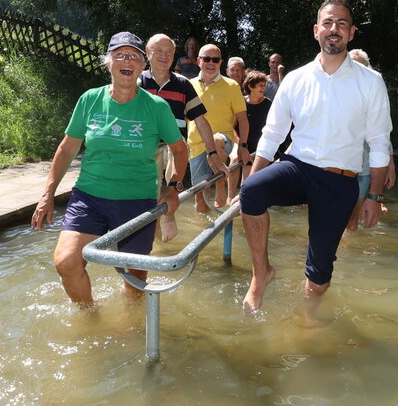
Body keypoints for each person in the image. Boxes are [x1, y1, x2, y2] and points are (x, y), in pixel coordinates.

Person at [238, 0, 393, 314]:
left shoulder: (371, 82)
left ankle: (309, 315)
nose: (333, 29)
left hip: (339, 180)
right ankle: (261, 274)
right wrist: (252, 175)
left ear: (351, 33)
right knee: (250, 192)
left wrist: (374, 196)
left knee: (319, 276)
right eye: (327, 23)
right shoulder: (296, 78)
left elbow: (379, 142)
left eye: (341, 24)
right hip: (298, 167)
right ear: (316, 31)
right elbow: (272, 135)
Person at [31, 32, 188, 308]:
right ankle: (91, 314)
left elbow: (180, 149)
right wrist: (47, 194)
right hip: (89, 197)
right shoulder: (90, 100)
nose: (127, 61)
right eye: (120, 55)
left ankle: (129, 324)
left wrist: (173, 188)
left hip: (137, 201)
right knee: (66, 262)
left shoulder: (156, 107)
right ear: (108, 62)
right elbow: (67, 149)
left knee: (135, 277)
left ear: (142, 65)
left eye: (134, 56)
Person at [139, 33, 228, 242]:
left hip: (174, 146)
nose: (164, 55)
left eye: (169, 52)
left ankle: (169, 208)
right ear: (148, 53)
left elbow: (201, 121)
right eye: (159, 51)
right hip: (144, 146)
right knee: (148, 188)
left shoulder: (182, 84)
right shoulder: (137, 82)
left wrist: (213, 153)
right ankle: (155, 233)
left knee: (175, 150)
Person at [188, 44, 251, 212]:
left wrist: (243, 146)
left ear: (220, 62)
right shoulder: (188, 85)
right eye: (206, 58)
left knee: (216, 140)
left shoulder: (231, 86)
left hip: (223, 141)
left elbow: (243, 120)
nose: (211, 63)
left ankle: (220, 184)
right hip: (196, 146)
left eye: (215, 59)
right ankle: (205, 229)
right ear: (198, 61)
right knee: (200, 203)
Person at [346, 49, 396, 231]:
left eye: (361, 65)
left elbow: (383, 135)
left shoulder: (374, 90)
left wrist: (390, 166)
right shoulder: (334, 91)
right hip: (336, 166)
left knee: (353, 217)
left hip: (364, 168)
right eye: (352, 63)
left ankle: (347, 251)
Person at [227, 70, 272, 202]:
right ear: (251, 87)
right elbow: (232, 126)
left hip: (258, 146)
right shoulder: (241, 102)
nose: (264, 88)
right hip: (239, 142)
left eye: (264, 85)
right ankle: (229, 197)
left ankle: (243, 197)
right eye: (261, 85)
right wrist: (241, 144)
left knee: (249, 169)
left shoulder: (268, 104)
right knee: (235, 159)